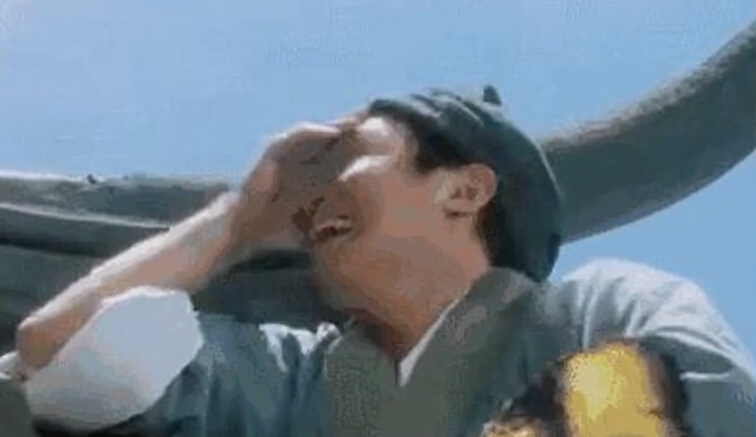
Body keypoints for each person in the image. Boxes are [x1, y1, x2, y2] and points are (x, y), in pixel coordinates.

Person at [3, 86, 754, 437]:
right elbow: (53, 354)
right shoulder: (297, 377)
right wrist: (235, 220)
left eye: (349, 159)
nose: (310, 196)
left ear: (463, 190)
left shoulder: (596, 309)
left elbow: (698, 411)